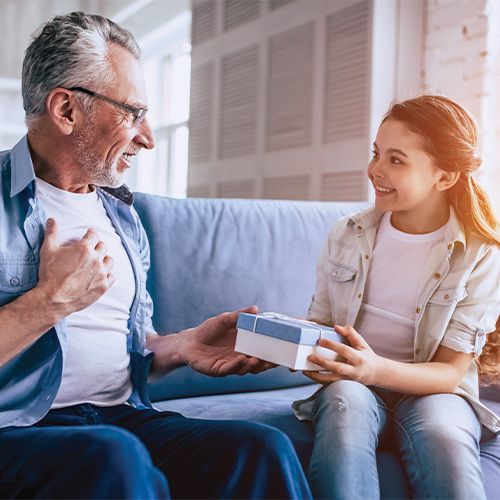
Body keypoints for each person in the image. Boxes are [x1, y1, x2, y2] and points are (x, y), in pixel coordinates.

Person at [0, 11, 312, 499]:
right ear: (65, 110)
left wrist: (183, 347)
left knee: (260, 448)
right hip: (17, 428)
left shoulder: (123, 215)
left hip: (119, 417)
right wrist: (50, 302)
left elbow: (130, 346)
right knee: (111, 457)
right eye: (133, 113)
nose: (146, 137)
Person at [293, 95, 500, 499]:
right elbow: (320, 329)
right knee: (344, 411)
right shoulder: (346, 234)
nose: (376, 170)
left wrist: (371, 370)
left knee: (444, 435)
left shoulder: (480, 254)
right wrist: (303, 354)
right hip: (353, 385)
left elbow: (449, 373)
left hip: (434, 390)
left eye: (396, 160)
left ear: (444, 176)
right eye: (376, 154)